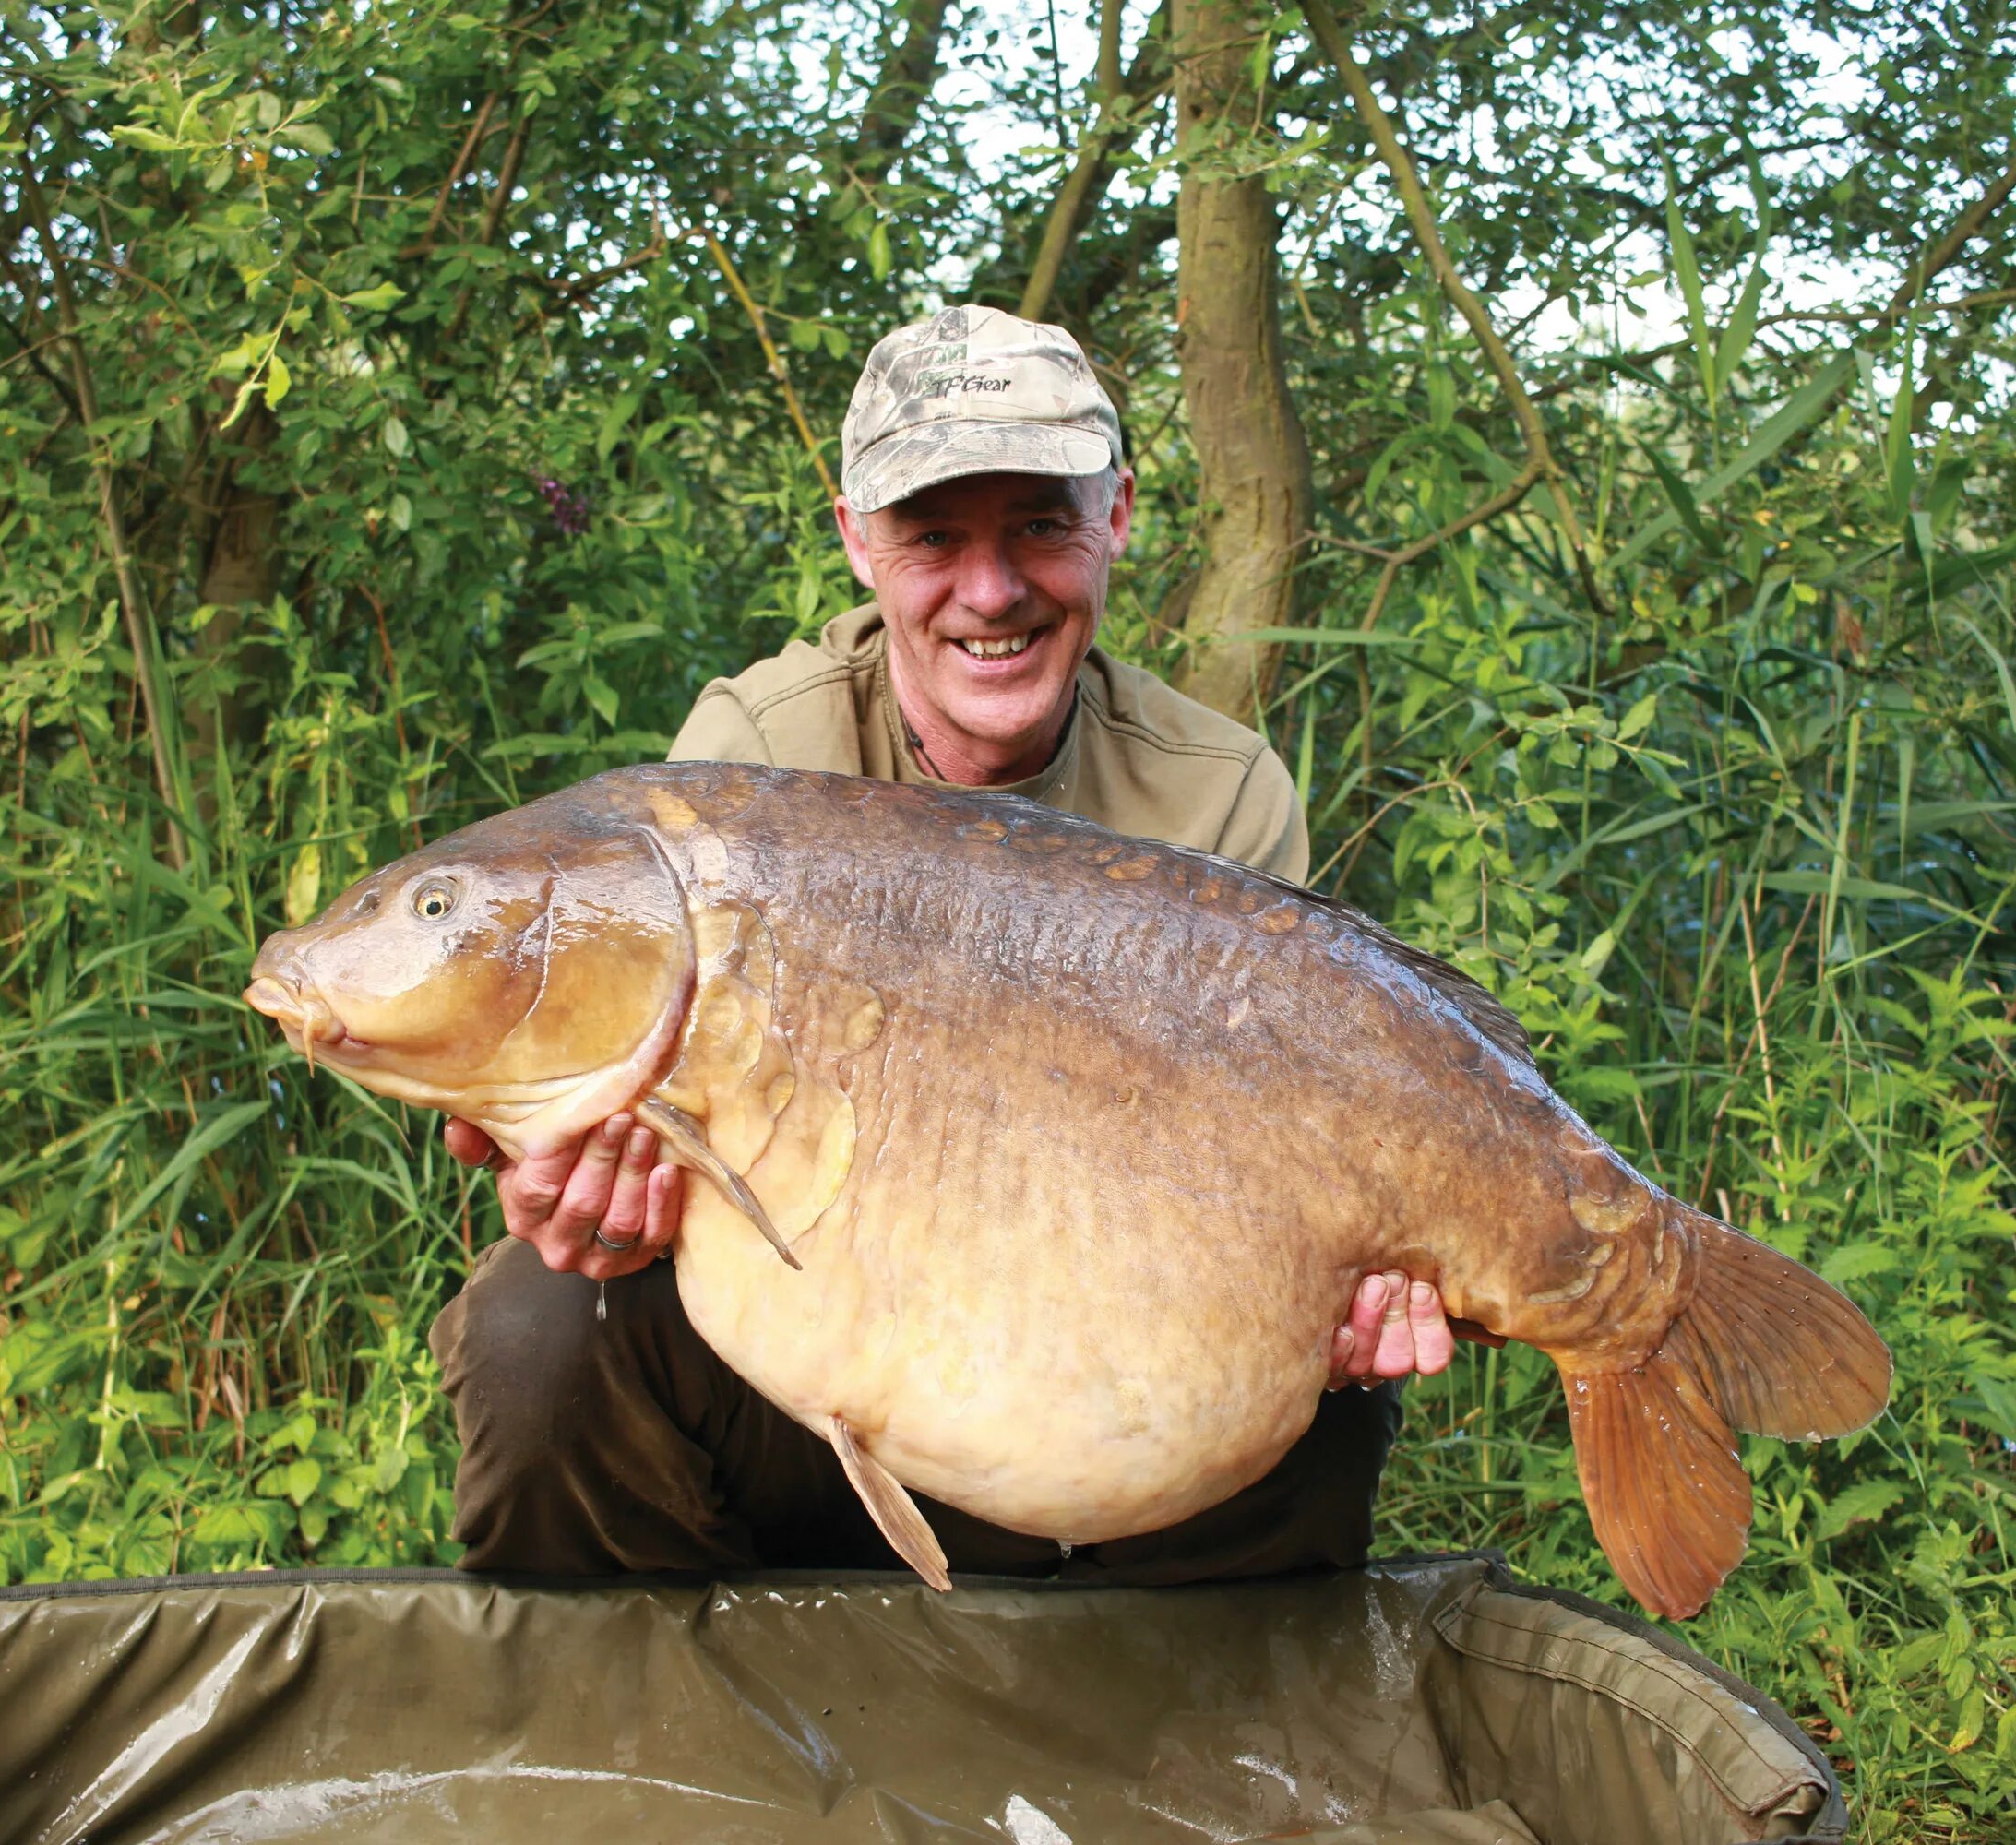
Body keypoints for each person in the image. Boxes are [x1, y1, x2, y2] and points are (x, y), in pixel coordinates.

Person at [429, 306, 1463, 1583]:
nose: (991, 590)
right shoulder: (753, 766)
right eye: (932, 536)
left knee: (1327, 1396)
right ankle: (646, 1732)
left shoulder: (1216, 797)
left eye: (1039, 522)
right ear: (858, 540)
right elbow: (656, 1157)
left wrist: (1336, 1280)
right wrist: (593, 1201)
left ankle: (1167, 1742)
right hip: (811, 1368)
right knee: (541, 1322)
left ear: (1118, 517)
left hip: (1098, 1377)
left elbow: (1287, 1156)